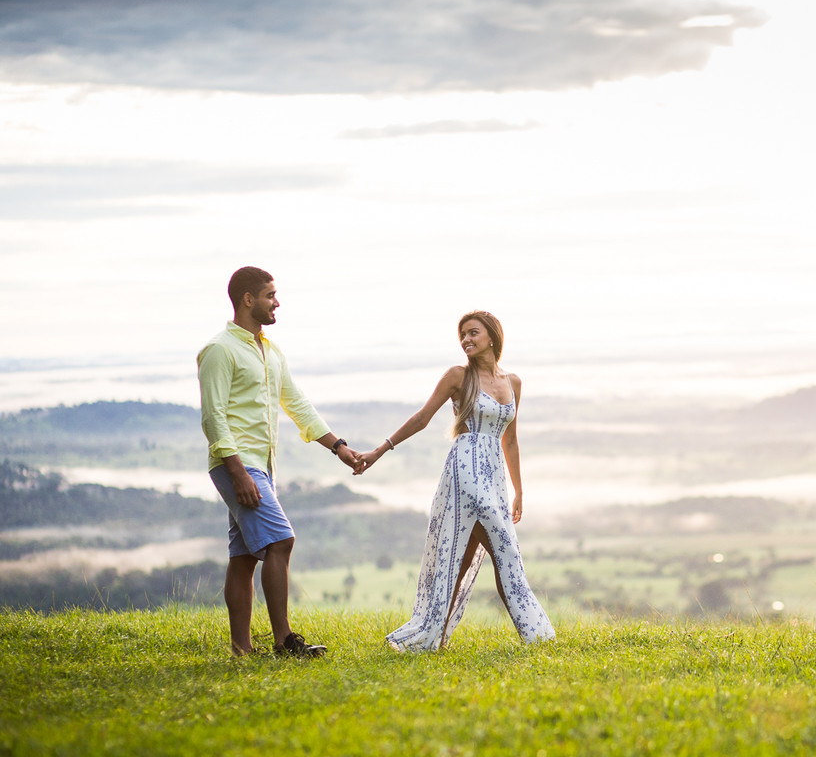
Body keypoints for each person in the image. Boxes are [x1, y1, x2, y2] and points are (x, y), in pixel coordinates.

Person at [357, 310, 555, 652]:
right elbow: (421, 418)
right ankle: (537, 637)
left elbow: (510, 440)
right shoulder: (458, 376)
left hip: (493, 475)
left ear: (492, 336)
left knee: (460, 558)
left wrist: (519, 489)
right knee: (505, 548)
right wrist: (379, 451)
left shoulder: (514, 383)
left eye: (473, 333)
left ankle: (433, 636)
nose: (466, 340)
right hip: (464, 470)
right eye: (462, 335)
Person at [198, 266, 362, 657]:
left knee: (242, 558)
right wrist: (238, 473)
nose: (277, 302)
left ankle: (241, 649)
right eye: (271, 295)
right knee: (281, 541)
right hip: (236, 464)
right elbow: (213, 416)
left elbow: (297, 404)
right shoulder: (220, 350)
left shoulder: (270, 351)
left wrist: (338, 446)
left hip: (261, 467)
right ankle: (285, 642)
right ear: (248, 299)